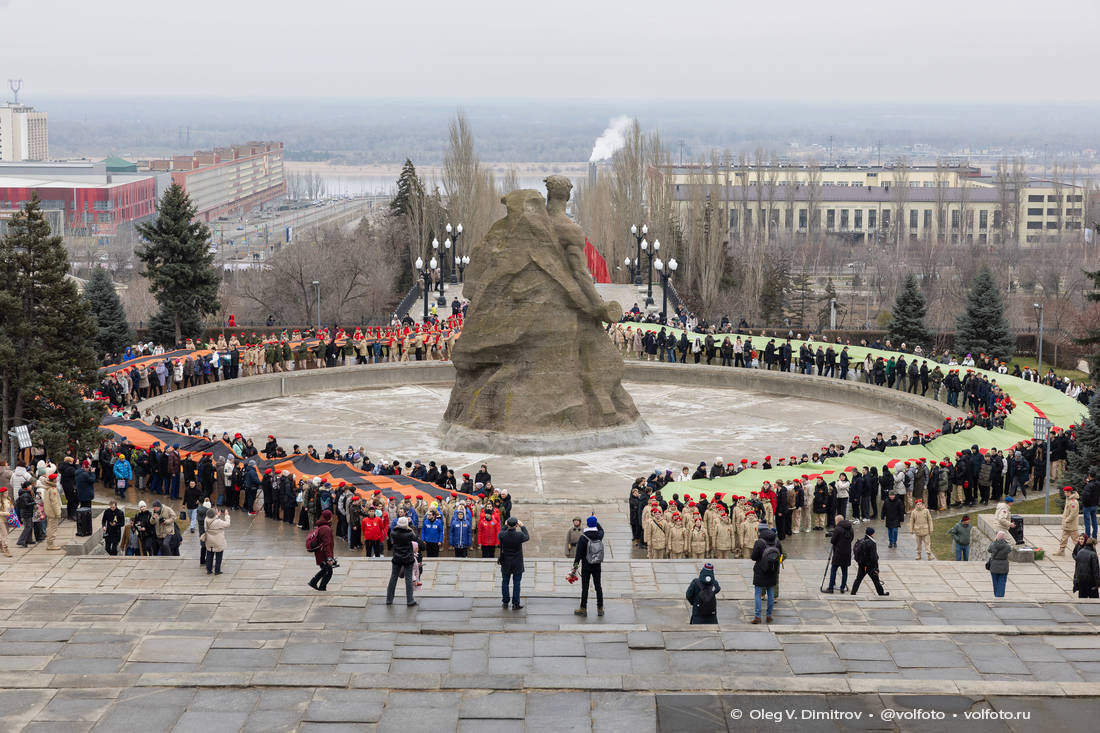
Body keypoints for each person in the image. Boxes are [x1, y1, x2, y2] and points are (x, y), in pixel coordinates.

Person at [572, 515, 605, 617]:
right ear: (595, 524)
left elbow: (578, 555)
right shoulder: (599, 535)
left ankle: (583, 608)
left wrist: (575, 567)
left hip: (586, 565)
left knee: (585, 588)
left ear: (587, 524)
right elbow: (601, 529)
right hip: (597, 564)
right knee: (598, 586)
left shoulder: (583, 537)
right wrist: (595, 520)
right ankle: (600, 608)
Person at [749, 524, 782, 624]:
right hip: (772, 571)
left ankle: (758, 616)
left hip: (760, 571)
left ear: (759, 531)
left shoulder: (759, 542)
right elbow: (779, 554)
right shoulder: (777, 541)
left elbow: (754, 557)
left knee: (758, 594)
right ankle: (769, 615)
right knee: (771, 593)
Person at [498, 516, 529, 610]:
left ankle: (505, 601)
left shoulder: (502, 535)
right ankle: (515, 603)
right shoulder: (519, 535)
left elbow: (500, 533)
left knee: (505, 582)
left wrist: (505, 525)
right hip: (517, 562)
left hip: (506, 561)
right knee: (517, 584)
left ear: (508, 524)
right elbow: (527, 536)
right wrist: (522, 526)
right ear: (516, 525)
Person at [386, 516, 418, 606]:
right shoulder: (409, 534)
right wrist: (410, 526)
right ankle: (410, 600)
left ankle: (389, 599)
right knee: (408, 579)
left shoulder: (393, 533)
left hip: (397, 558)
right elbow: (415, 537)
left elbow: (395, 529)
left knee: (393, 577)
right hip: (408, 558)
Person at [851, 527, 889, 596]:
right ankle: (881, 593)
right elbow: (873, 557)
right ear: (872, 534)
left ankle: (853, 592)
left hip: (862, 564)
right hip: (870, 566)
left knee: (858, 579)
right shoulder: (872, 543)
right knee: (876, 580)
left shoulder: (861, 540)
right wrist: (876, 568)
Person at [824, 514, 852, 593]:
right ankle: (842, 588)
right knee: (844, 571)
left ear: (837, 521)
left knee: (833, 570)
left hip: (838, 553)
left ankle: (831, 588)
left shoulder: (838, 529)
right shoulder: (850, 528)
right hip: (847, 553)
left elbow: (833, 541)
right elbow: (851, 538)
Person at [309, 509, 336, 591]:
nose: (332, 518)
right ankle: (322, 588)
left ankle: (313, 582)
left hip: (320, 553)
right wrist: (329, 558)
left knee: (325, 570)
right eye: (331, 517)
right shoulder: (326, 529)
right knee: (328, 572)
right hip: (323, 554)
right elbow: (326, 545)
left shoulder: (321, 526)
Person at [203, 507, 230, 575]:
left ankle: (209, 570)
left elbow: (212, 520)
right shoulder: (218, 521)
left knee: (209, 555)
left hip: (209, 540)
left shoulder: (206, 519)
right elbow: (227, 524)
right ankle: (217, 571)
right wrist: (226, 515)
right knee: (219, 556)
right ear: (214, 514)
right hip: (218, 541)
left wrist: (217, 515)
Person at [1055, 486, 1080, 555]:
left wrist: (1066, 520)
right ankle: (1061, 550)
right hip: (1067, 524)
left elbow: (1073, 514)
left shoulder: (1073, 502)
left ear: (1069, 492)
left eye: (1066, 492)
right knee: (1064, 538)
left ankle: (1080, 551)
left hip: (1071, 524)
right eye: (1064, 492)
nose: (1065, 493)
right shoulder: (1068, 499)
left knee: (1076, 539)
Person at [987, 530, 1012, 598]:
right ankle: (1000, 595)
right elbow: (1009, 550)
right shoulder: (1007, 546)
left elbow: (989, 550)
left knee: (995, 582)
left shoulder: (993, 544)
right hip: (1004, 566)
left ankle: (996, 595)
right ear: (1004, 538)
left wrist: (995, 541)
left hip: (994, 566)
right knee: (1002, 582)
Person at [1081, 471, 1099, 539]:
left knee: (1087, 523)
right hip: (1095, 505)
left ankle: (1087, 537)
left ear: (1089, 476)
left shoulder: (1088, 485)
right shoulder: (1098, 483)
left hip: (1087, 507)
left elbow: (1085, 496)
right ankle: (1094, 537)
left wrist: (1085, 504)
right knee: (1094, 521)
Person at [0, 487, 11, 557]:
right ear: (2, 494)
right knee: (5, 534)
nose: (7, 494)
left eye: (7, 492)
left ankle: (0, 543)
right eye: (5, 493)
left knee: (6, 533)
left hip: (8, 519)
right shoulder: (0, 502)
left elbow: (10, 508)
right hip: (1, 520)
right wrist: (7, 513)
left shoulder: (8, 499)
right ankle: (5, 549)